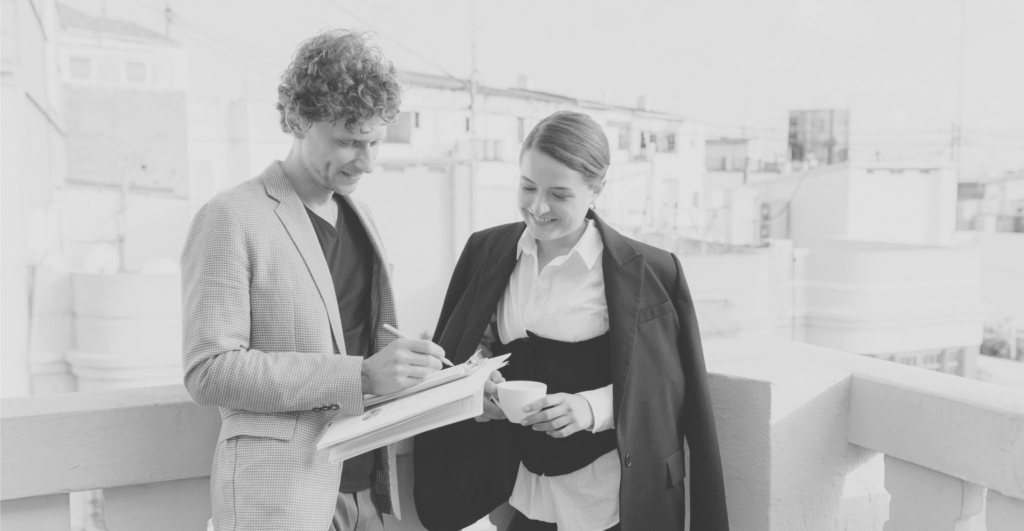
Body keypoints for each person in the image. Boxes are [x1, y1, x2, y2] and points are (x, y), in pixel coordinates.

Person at [181, 30, 447, 531]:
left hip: (370, 485)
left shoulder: (360, 214)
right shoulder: (229, 216)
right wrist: (360, 376)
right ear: (299, 118)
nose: (365, 162)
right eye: (348, 142)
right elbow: (209, 370)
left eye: (372, 143)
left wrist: (414, 365)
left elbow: (363, 337)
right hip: (281, 496)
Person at [414, 111, 729, 531]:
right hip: (519, 492)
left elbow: (666, 386)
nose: (538, 207)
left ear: (596, 190)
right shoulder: (485, 250)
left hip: (611, 499)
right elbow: (467, 342)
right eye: (527, 187)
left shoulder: (648, 271)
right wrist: (478, 383)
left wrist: (590, 407)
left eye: (559, 194)